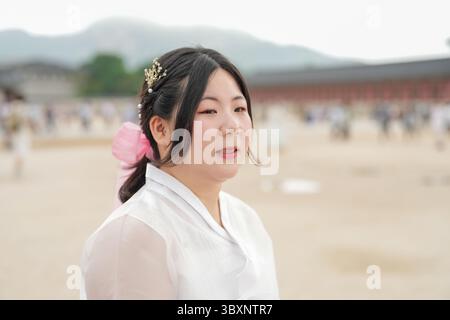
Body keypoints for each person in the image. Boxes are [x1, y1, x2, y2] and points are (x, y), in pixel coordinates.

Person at [80, 47, 280, 300]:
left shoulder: (246, 218)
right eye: (209, 110)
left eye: (239, 109)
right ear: (161, 129)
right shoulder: (133, 237)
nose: (233, 125)